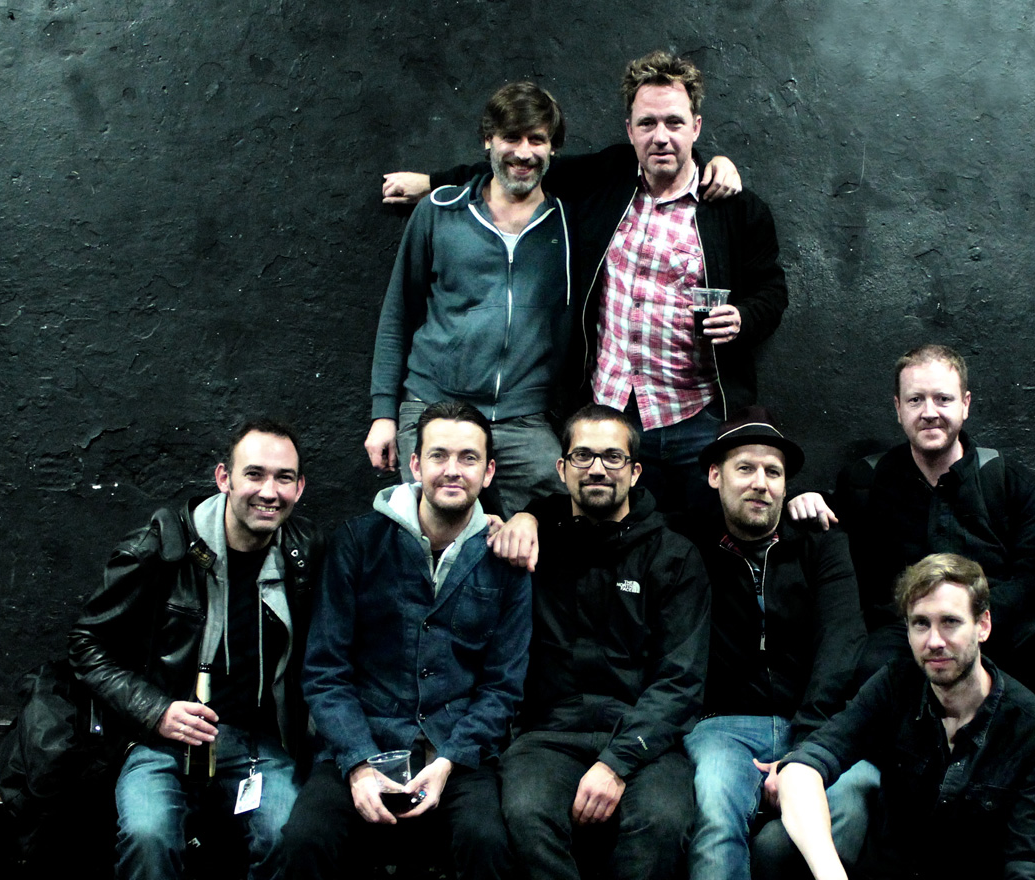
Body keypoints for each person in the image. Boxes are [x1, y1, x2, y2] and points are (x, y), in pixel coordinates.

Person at [387, 50, 788, 510]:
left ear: (696, 127)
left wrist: (743, 317)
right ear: (629, 130)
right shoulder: (606, 180)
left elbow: (772, 291)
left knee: (697, 538)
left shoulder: (734, 209)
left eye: (674, 123)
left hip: (695, 417)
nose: (660, 136)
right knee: (606, 539)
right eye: (647, 123)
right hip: (610, 419)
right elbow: (521, 164)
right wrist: (433, 181)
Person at [280, 401, 532, 879]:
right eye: (438, 455)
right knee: (304, 841)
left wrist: (450, 760)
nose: (452, 470)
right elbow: (325, 670)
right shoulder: (358, 542)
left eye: (468, 458)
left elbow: (503, 687)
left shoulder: (505, 561)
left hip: (458, 752)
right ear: (415, 464)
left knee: (487, 843)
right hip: (362, 742)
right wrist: (357, 763)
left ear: (489, 472)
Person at [69, 419, 323, 880]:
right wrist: (157, 711)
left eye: (284, 478)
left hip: (258, 746)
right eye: (254, 474)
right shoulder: (162, 546)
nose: (269, 492)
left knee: (290, 835)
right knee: (148, 836)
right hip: (161, 741)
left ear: (299, 487)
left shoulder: (305, 555)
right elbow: (87, 645)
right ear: (224, 477)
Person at [489, 403, 711, 880]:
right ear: (561, 468)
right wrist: (524, 517)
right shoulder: (534, 546)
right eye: (583, 456)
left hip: (645, 739)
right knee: (526, 814)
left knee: (663, 821)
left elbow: (681, 680)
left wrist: (616, 762)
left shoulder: (673, 556)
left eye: (613, 457)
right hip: (548, 736)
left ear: (635, 471)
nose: (596, 469)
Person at [789, 345, 1035, 704]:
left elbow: (1033, 576)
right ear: (898, 408)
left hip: (990, 624)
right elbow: (829, 517)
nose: (929, 413)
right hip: (907, 631)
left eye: (943, 399)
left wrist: (968, 617)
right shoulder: (867, 481)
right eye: (915, 400)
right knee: (869, 667)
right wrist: (802, 498)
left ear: (965, 404)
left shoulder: (1007, 479)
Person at [774, 553, 1035, 880]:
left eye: (950, 622)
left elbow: (1028, 864)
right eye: (921, 624)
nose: (934, 641)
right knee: (775, 846)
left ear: (983, 625)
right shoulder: (894, 686)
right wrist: (830, 873)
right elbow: (803, 767)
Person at [669, 408, 869, 880]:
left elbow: (842, 644)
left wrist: (806, 747)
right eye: (745, 468)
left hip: (815, 722)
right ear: (715, 476)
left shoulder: (821, 543)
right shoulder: (686, 542)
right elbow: (617, 513)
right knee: (715, 809)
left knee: (853, 798)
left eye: (773, 473)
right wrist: (532, 517)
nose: (760, 483)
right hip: (723, 725)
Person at [364, 82, 573, 515]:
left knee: (557, 521)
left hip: (522, 420)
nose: (523, 152)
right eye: (511, 137)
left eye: (537, 140)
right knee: (433, 534)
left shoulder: (569, 224)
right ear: (488, 140)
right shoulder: (440, 211)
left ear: (553, 148)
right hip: (435, 407)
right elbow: (398, 314)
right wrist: (383, 413)